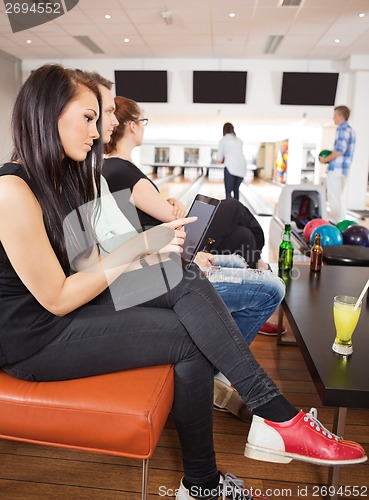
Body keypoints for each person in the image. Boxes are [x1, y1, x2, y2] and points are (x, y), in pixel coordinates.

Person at [0, 65, 366, 500]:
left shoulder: (65, 177)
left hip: (76, 305)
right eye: (88, 117)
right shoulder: (12, 190)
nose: (98, 132)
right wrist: (139, 247)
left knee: (182, 274)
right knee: (189, 336)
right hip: (36, 338)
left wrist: (155, 257)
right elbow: (58, 298)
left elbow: (88, 263)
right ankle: (222, 466)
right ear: (47, 114)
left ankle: (264, 423)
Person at [102, 96, 286, 339]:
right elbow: (170, 215)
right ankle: (260, 268)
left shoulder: (116, 168)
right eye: (143, 121)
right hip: (174, 245)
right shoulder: (122, 171)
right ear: (133, 125)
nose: (144, 126)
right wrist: (172, 205)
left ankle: (248, 301)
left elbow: (154, 209)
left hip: (169, 243)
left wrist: (172, 202)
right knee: (232, 207)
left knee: (240, 235)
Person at [319, 105, 356, 223]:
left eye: (335, 115)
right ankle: (341, 221)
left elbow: (339, 151)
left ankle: (336, 222)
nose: (333, 118)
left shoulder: (342, 129)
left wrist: (325, 159)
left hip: (336, 169)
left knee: (333, 196)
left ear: (341, 116)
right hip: (343, 170)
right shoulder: (351, 130)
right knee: (338, 196)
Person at [216, 122, 246, 200]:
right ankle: (237, 211)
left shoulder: (223, 140)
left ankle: (229, 211)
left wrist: (222, 160)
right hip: (242, 168)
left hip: (230, 168)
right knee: (236, 191)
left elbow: (219, 159)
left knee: (228, 192)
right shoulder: (239, 141)